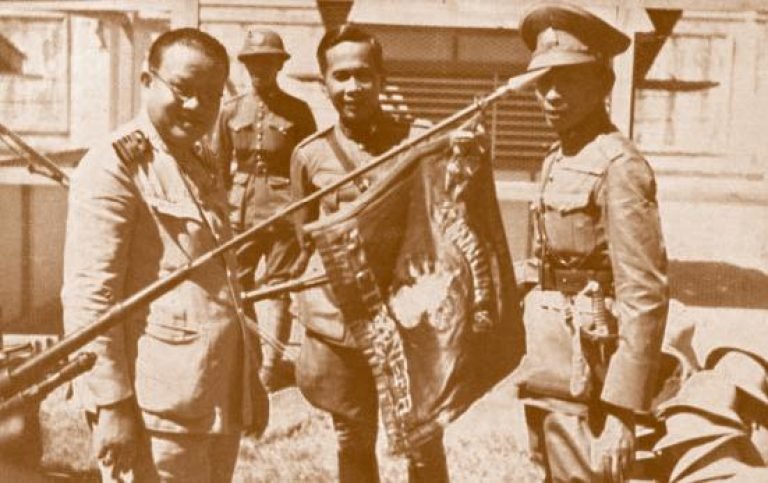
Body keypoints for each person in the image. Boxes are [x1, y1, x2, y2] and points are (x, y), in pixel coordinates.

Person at [61, 28, 267, 482]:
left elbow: (224, 284)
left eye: (210, 96)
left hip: (211, 399)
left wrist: (248, 380)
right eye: (182, 89)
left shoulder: (198, 160)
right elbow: (89, 298)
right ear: (146, 80)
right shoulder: (113, 166)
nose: (195, 105)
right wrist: (111, 404)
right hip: (153, 409)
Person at [512, 3, 669, 482]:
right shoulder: (557, 157)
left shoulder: (618, 165)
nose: (552, 95)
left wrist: (622, 410)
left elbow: (645, 294)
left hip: (596, 368)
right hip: (551, 363)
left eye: (569, 79)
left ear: (603, 83)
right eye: (543, 81)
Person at [289, 25, 449, 483]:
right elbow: (306, 239)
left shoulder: (419, 140)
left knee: (424, 440)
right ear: (324, 82)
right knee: (353, 438)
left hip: (410, 319)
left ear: (381, 79)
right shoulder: (310, 155)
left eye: (363, 75)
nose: (353, 87)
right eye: (340, 76)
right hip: (343, 324)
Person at [212, 29, 317, 392]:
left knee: (278, 288)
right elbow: (218, 168)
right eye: (253, 63)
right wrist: (219, 211)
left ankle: (271, 368)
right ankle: (248, 356)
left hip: (283, 212)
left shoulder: (298, 112)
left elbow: (309, 166)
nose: (260, 69)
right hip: (239, 212)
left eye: (267, 62)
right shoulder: (230, 111)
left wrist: (305, 221)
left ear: (279, 66)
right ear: (245, 66)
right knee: (235, 284)